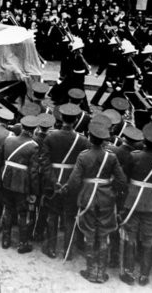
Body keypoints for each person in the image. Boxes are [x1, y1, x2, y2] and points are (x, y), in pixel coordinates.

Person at [64, 120, 127, 283]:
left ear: (90, 139)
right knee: (104, 234)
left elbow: (74, 181)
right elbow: (121, 180)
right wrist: (110, 189)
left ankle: (91, 271)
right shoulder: (111, 156)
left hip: (87, 198)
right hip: (106, 199)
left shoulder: (83, 156)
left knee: (90, 234)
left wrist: (76, 193)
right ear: (104, 140)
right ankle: (101, 272)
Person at [119, 123, 152, 286]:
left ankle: (128, 272)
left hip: (133, 200)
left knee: (130, 236)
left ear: (143, 141)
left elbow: (125, 178)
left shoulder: (134, 156)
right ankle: (144, 275)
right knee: (149, 238)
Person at [40, 103, 90, 259]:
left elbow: (44, 162)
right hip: (72, 183)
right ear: (75, 120)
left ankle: (51, 248)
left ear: (60, 118)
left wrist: (54, 182)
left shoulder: (51, 136)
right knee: (69, 217)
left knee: (52, 215)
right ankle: (67, 251)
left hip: (53, 180)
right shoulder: (82, 140)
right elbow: (83, 166)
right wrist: (70, 184)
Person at [0, 115, 40, 253]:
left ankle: (5, 241)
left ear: (22, 127)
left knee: (8, 209)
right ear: (34, 130)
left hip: (5, 181)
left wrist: (2, 174)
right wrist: (34, 192)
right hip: (22, 184)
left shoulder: (9, 140)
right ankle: (22, 243)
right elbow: (33, 172)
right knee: (22, 212)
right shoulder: (34, 146)